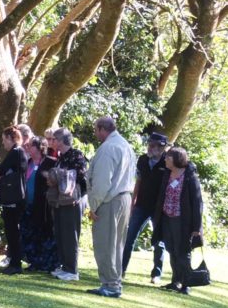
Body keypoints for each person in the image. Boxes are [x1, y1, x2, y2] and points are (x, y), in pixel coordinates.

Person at [85, 117, 136, 298]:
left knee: (105, 243)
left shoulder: (108, 148)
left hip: (110, 200)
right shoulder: (126, 146)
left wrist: (94, 206)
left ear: (101, 128)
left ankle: (111, 284)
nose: (95, 133)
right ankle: (113, 282)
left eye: (95, 129)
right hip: (124, 198)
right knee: (116, 244)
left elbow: (101, 182)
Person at [151, 147, 204, 295]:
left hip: (183, 221)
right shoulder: (167, 174)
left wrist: (196, 227)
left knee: (183, 252)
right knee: (172, 250)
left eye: (168, 157)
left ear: (176, 159)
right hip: (167, 218)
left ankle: (186, 283)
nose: (166, 159)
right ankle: (176, 281)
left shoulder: (189, 177)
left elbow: (197, 203)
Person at [121, 132, 169, 283]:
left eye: (154, 145)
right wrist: (133, 202)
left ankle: (156, 274)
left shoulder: (168, 162)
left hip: (159, 208)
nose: (151, 148)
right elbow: (138, 181)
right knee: (129, 238)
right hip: (141, 205)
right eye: (150, 144)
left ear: (162, 147)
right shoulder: (142, 160)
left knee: (159, 241)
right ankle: (121, 270)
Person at [50, 128, 88, 281]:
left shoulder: (76, 155)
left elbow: (80, 173)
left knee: (70, 233)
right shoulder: (61, 157)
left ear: (60, 140)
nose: (51, 142)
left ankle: (72, 270)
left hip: (73, 200)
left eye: (53, 139)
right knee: (60, 232)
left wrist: (57, 174)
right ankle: (65, 266)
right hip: (60, 200)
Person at [19, 137, 57, 272]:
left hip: (44, 207)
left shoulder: (51, 163)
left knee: (44, 235)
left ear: (40, 147)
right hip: (27, 205)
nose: (27, 148)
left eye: (30, 146)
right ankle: (33, 262)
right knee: (28, 234)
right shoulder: (27, 162)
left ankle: (46, 263)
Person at [0, 126, 28, 275]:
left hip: (13, 197)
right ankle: (15, 261)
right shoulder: (18, 152)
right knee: (11, 230)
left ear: (11, 138)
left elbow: (0, 169)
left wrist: (2, 174)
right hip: (14, 197)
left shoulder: (16, 152)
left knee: (12, 230)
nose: (3, 143)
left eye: (4, 140)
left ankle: (15, 263)